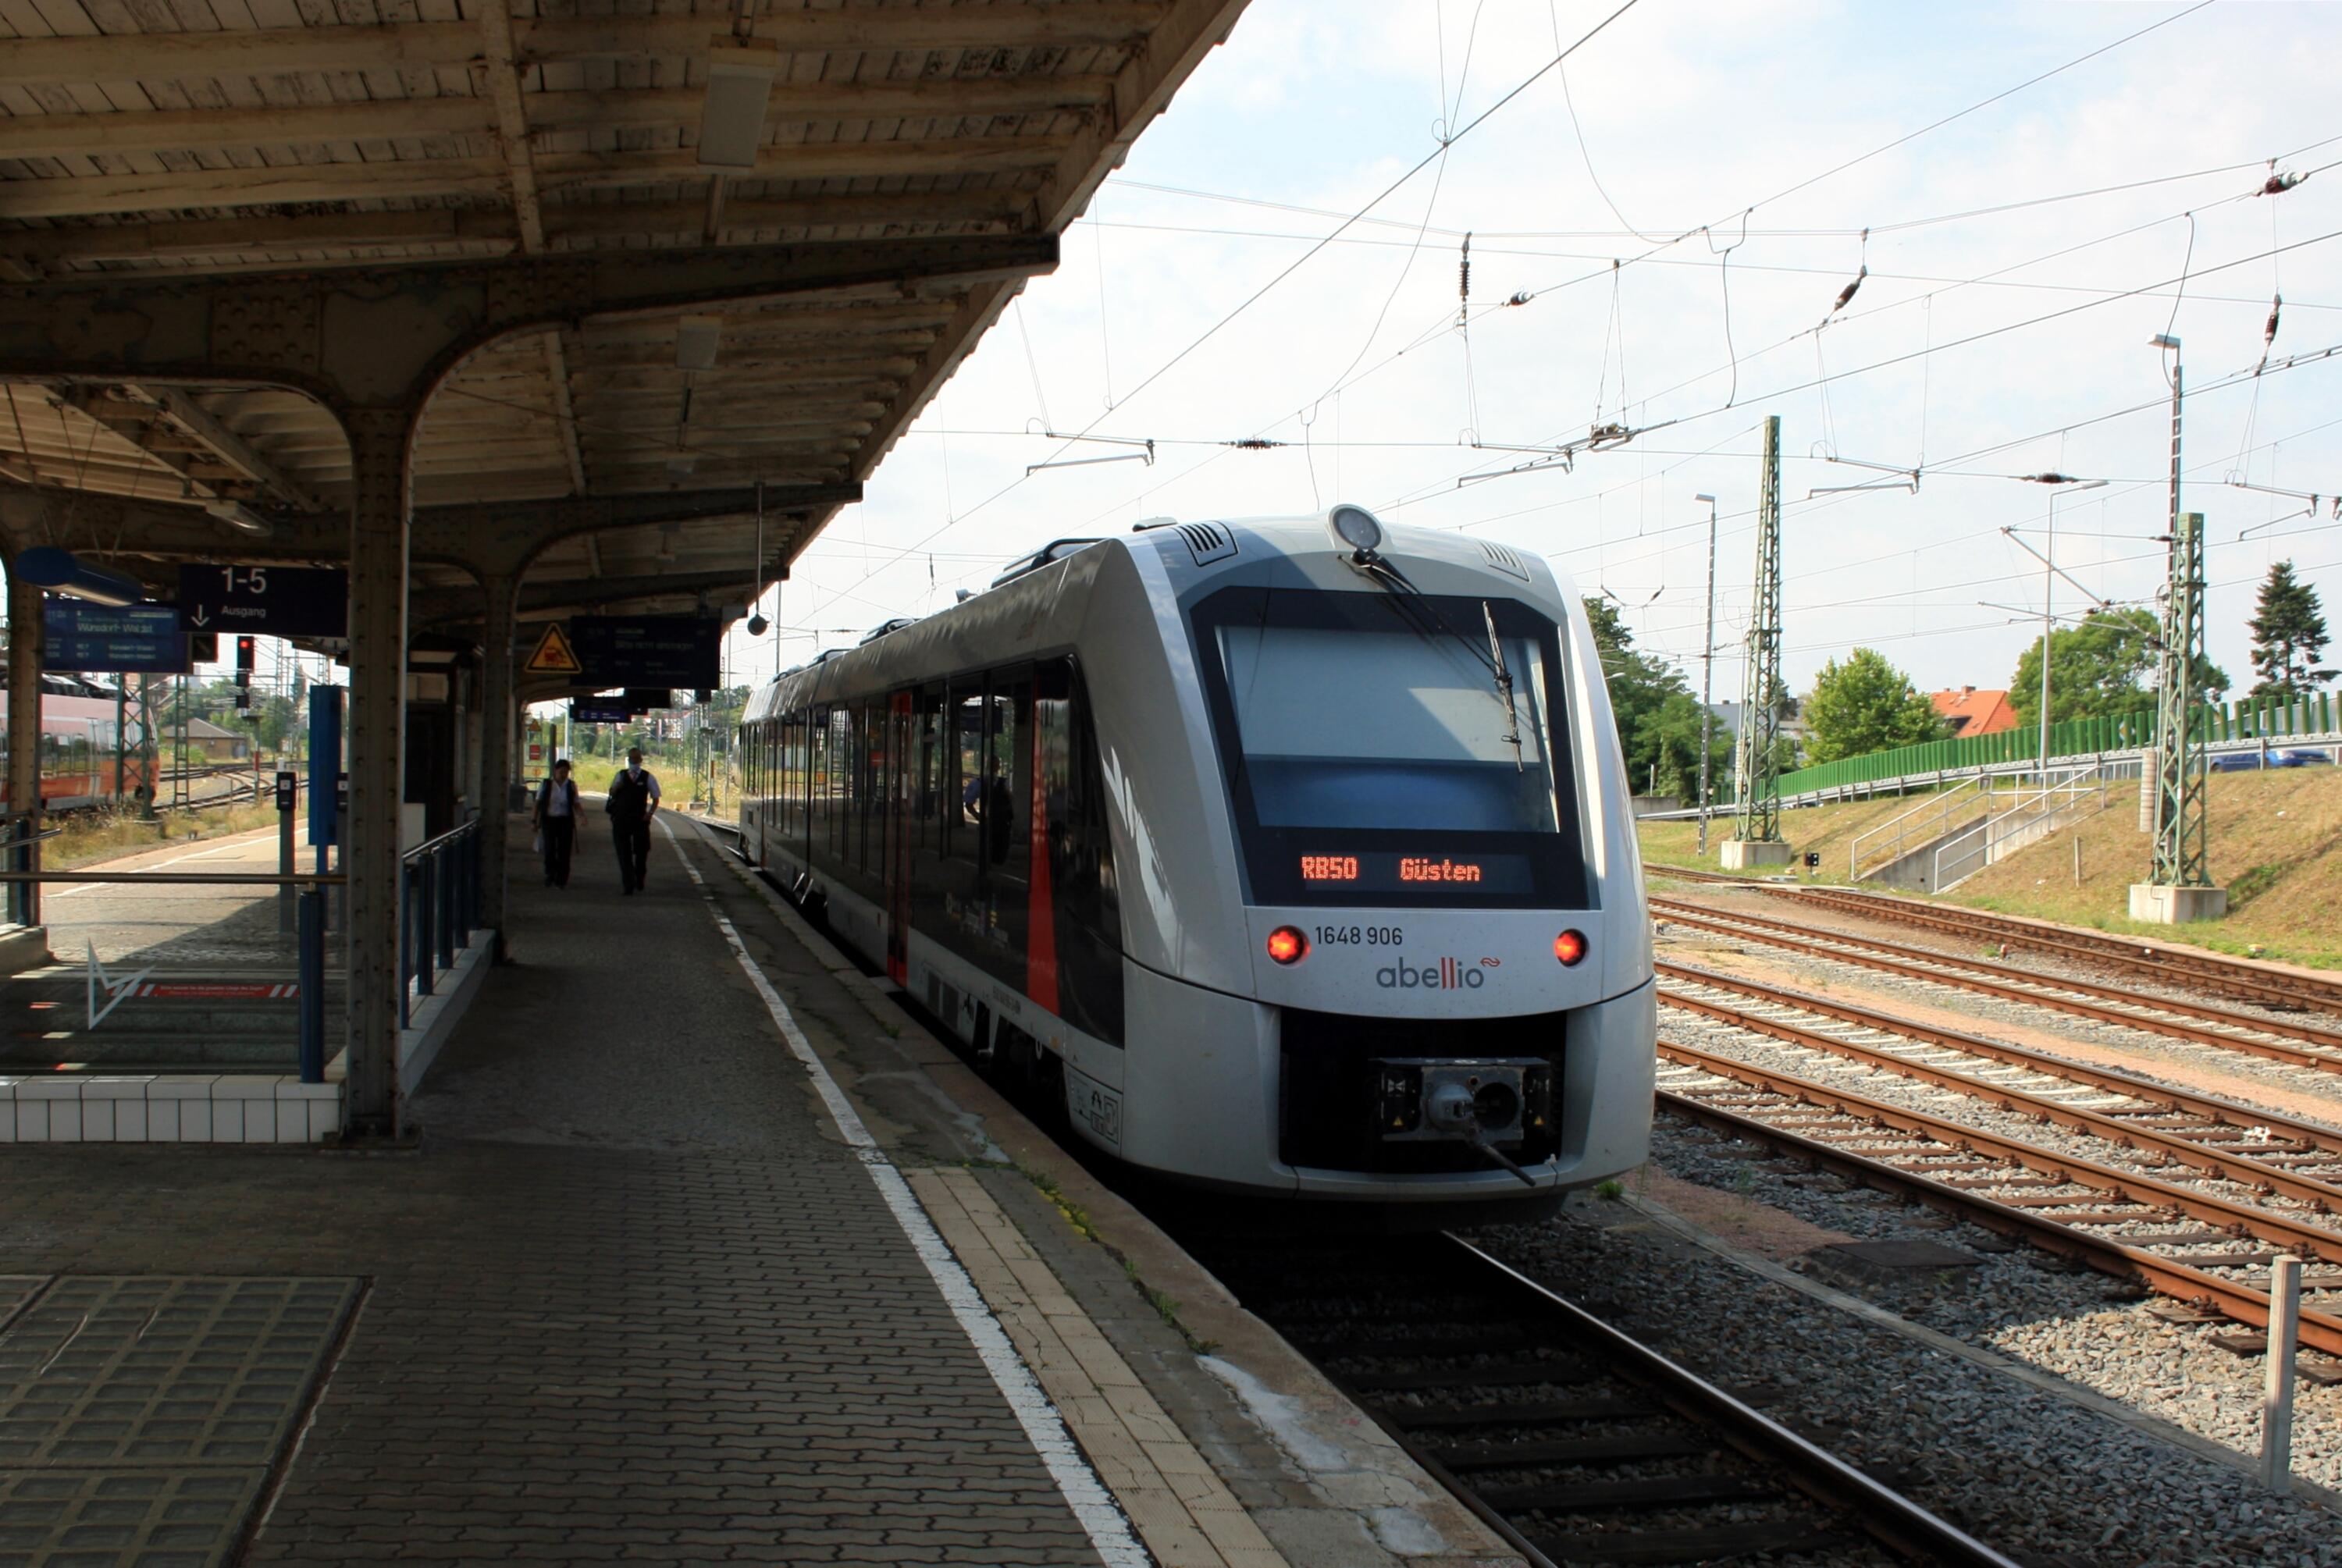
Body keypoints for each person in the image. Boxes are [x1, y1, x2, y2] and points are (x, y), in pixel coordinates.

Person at [606, 747, 661, 894]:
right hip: (621, 819)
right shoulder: (620, 775)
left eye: (636, 759)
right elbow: (611, 793)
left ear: (641, 760)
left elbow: (656, 798)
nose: (634, 762)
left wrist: (650, 814)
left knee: (642, 852)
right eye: (631, 759)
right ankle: (628, 885)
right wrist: (616, 788)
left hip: (640, 820)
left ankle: (640, 876)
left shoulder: (648, 777)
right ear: (628, 760)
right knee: (624, 853)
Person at [533, 759, 578, 889]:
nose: (564, 775)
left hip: (565, 821)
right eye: (561, 772)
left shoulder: (571, 785)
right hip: (549, 821)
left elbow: (576, 802)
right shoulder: (546, 785)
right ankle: (550, 875)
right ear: (555, 771)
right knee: (550, 849)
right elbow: (538, 803)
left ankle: (562, 878)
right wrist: (534, 821)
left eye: (566, 772)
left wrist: (582, 816)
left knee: (564, 851)